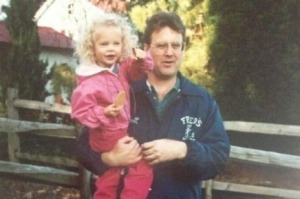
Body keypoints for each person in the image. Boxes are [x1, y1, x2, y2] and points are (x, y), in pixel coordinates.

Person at [75, 11, 230, 199]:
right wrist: (109, 158)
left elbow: (219, 156)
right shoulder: (122, 91)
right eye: (162, 45)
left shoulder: (201, 100)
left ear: (183, 49)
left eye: (176, 45)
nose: (170, 53)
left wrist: (182, 150)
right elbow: (83, 145)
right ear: (146, 49)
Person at [70, 10, 154, 199]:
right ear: (92, 48)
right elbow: (78, 112)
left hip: (118, 131)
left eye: (116, 43)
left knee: (110, 176)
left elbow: (138, 72)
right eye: (104, 44)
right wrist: (103, 112)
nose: (111, 49)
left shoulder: (119, 69)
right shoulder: (90, 80)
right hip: (106, 134)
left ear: (123, 45)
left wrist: (142, 59)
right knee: (141, 166)